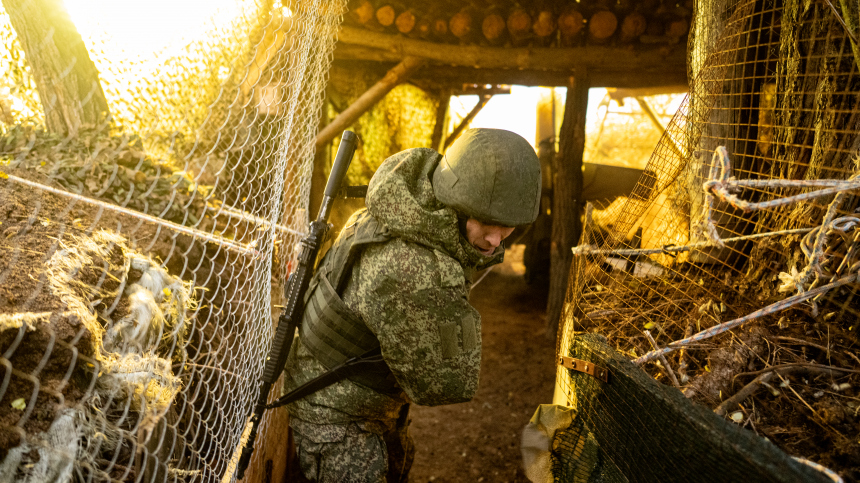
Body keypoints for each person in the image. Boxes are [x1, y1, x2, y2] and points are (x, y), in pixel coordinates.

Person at [283, 128, 541, 482]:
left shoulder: (403, 206)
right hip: (336, 416)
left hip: (346, 394)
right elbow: (443, 384)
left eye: (508, 227)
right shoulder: (414, 267)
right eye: (485, 222)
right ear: (455, 203)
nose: (496, 240)